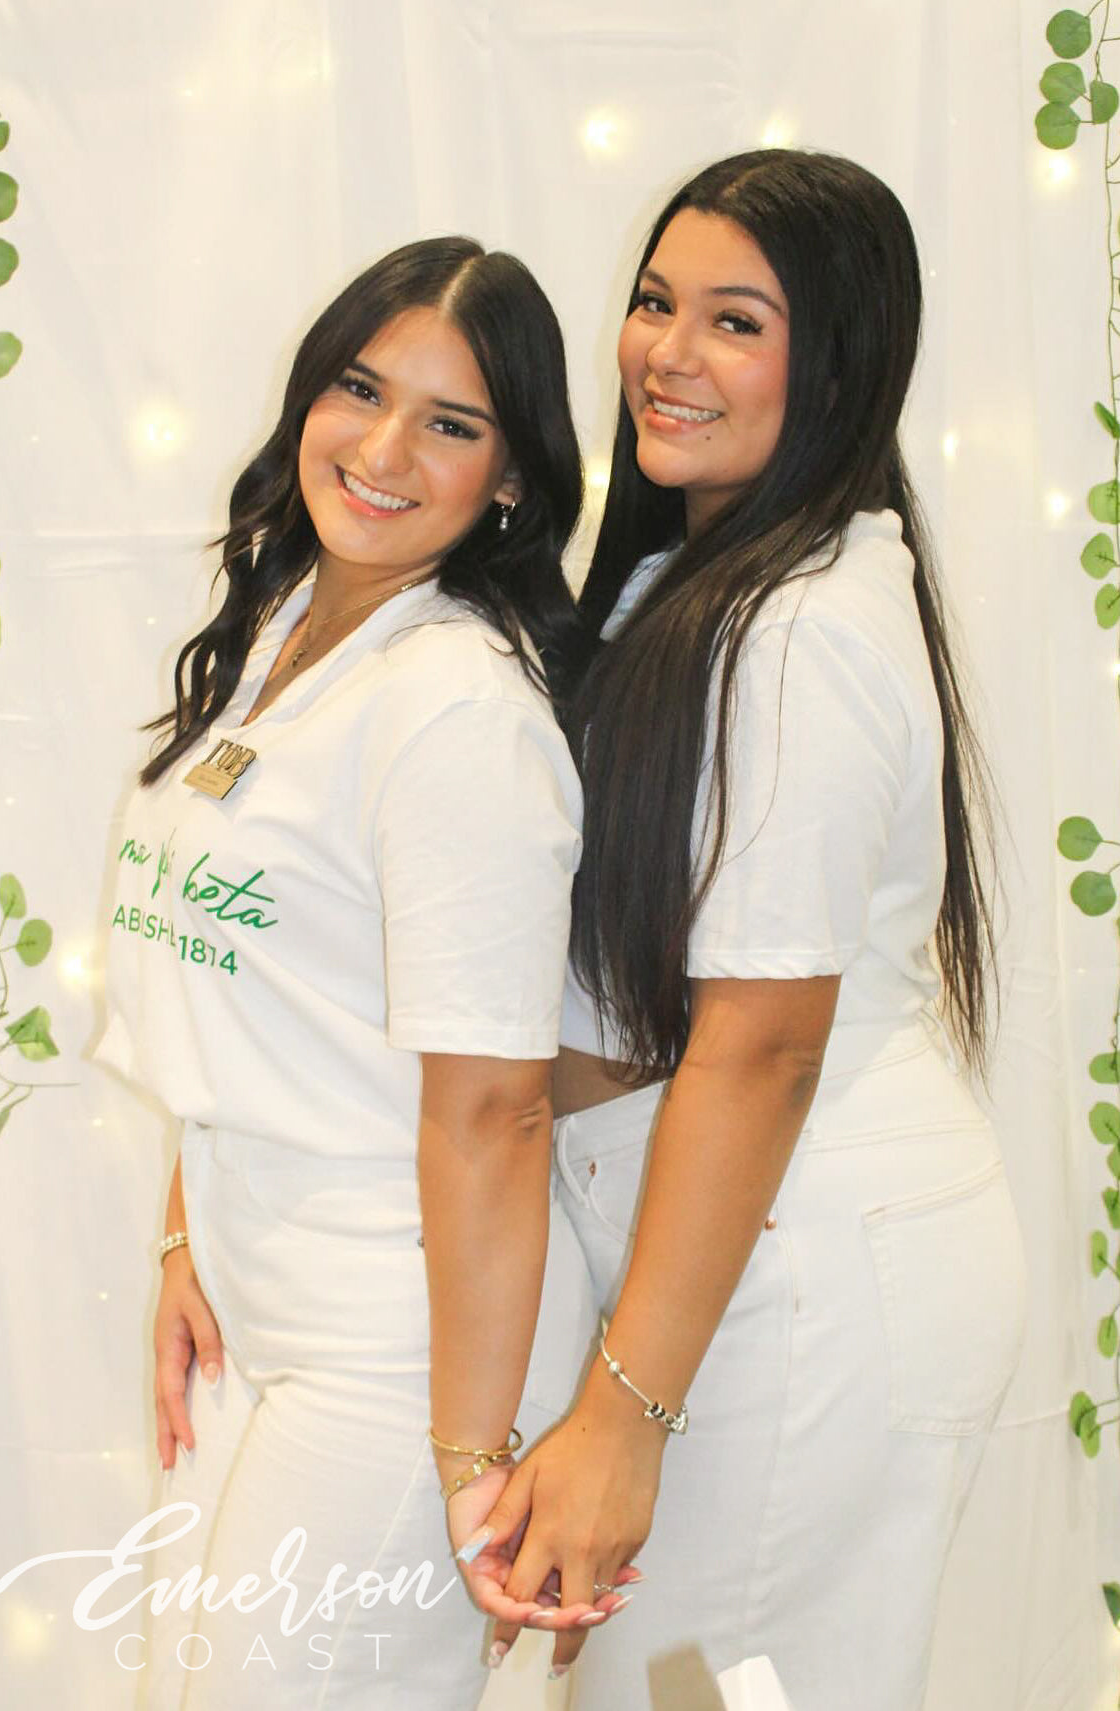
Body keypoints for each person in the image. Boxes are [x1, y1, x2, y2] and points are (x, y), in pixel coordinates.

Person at [473, 151, 1029, 1709]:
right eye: (656, 302)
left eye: (735, 322)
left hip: (799, 1274)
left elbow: (764, 1047)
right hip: (734, 1246)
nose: (667, 352)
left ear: (837, 362)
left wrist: (623, 1415)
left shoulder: (802, 628)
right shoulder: (689, 575)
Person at [95, 235, 612, 1708]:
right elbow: (245, 980)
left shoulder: (458, 711)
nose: (382, 452)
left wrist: (469, 1451)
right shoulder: (282, 630)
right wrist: (189, 1233)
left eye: (449, 423)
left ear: (509, 478)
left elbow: (496, 1107)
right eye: (361, 390)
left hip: (404, 1332)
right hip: (261, 1288)